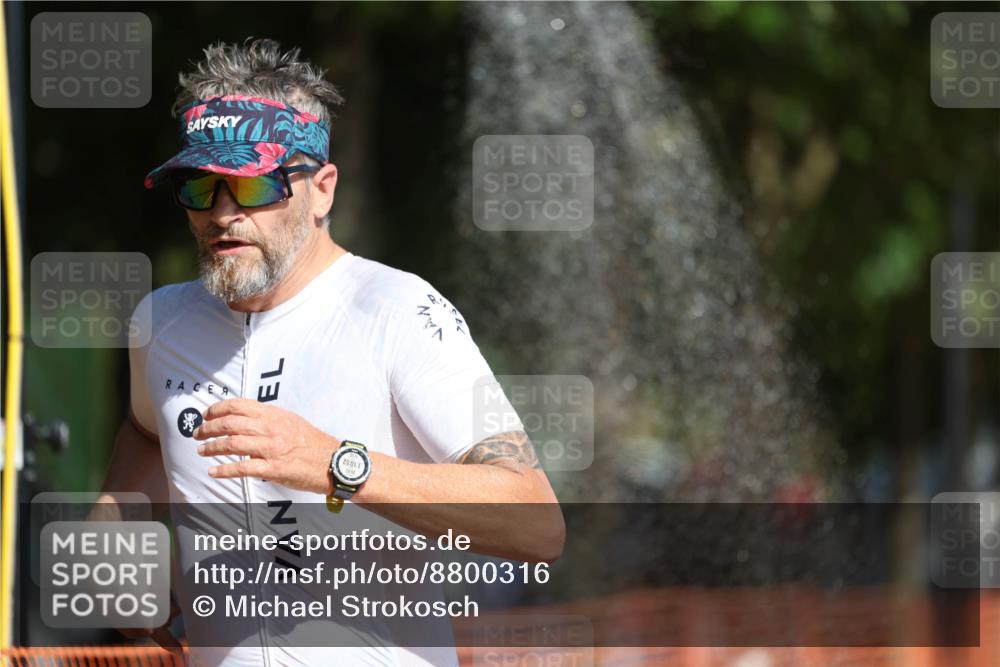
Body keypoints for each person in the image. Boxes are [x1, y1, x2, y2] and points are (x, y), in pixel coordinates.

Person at [96, 37, 564, 667]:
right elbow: (145, 433)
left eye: (254, 186)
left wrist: (331, 464)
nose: (224, 213)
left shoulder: (397, 310)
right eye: (201, 188)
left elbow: (537, 524)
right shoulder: (162, 322)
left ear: (322, 190)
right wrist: (117, 546)